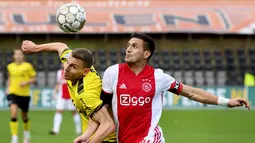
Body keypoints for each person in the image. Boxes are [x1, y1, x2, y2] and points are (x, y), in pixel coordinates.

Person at [99, 32, 250, 143]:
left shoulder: (158, 77)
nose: (128, 49)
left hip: (150, 138)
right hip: (123, 138)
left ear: (146, 53)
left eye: (134, 46)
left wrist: (226, 102)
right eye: (128, 45)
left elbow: (191, 92)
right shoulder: (113, 73)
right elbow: (102, 108)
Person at [21, 41, 116, 143]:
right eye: (67, 62)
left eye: (73, 67)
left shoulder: (86, 93)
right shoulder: (76, 63)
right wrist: (35, 48)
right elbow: (60, 46)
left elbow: (108, 125)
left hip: (106, 138)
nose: (66, 68)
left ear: (85, 72)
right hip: (92, 135)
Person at [6, 49, 36, 143]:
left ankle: (26, 134)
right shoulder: (10, 66)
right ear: (13, 56)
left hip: (24, 94)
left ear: (23, 56)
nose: (18, 56)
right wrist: (8, 88)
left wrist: (26, 82)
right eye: (16, 54)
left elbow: (34, 78)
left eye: (20, 54)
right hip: (13, 93)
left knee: (24, 116)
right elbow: (10, 77)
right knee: (13, 114)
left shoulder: (28, 66)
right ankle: (14, 138)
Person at [49, 64, 82, 135]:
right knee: (59, 111)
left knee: (74, 112)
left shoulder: (74, 72)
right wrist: (55, 93)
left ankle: (79, 130)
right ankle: (55, 130)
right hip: (61, 95)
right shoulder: (59, 72)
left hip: (71, 95)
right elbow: (58, 83)